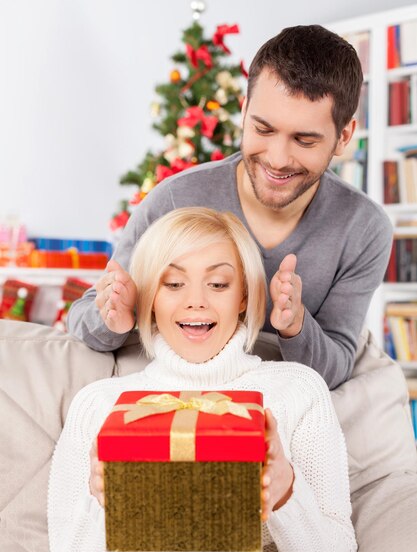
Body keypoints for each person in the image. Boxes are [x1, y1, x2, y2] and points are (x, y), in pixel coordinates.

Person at [46, 208, 357, 552]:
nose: (196, 300)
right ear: (149, 297)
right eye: (173, 283)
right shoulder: (100, 407)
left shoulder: (297, 391)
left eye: (218, 283)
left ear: (244, 295)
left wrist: (285, 493)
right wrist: (103, 506)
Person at [67, 25, 392, 390]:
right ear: (244, 110)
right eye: (263, 129)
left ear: (343, 136)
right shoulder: (175, 198)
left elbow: (337, 366)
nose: (278, 159)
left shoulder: (364, 227)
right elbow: (83, 317)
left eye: (304, 140)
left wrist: (297, 324)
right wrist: (115, 317)